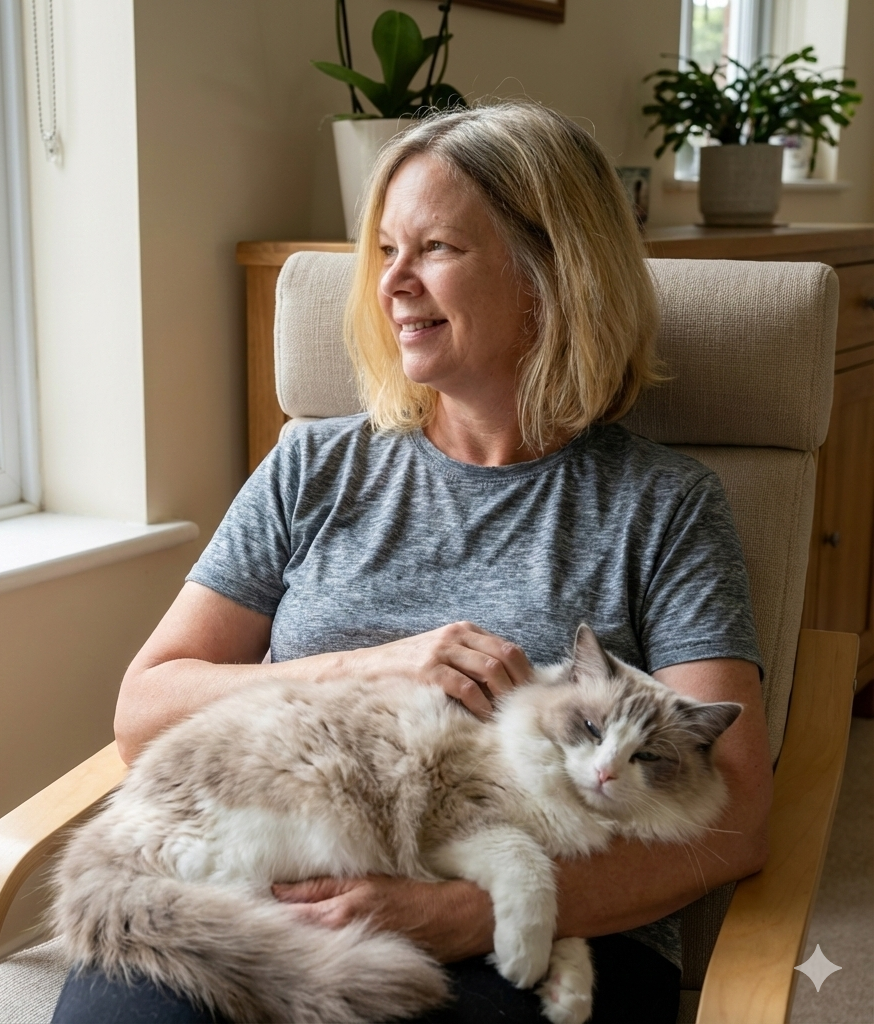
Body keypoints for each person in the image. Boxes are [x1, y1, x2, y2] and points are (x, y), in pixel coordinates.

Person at [52, 102, 771, 1024]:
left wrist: (462, 914)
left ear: (550, 277)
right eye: (384, 251)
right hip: (247, 878)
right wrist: (375, 662)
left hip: (535, 926)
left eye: (434, 247)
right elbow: (144, 710)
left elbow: (738, 813)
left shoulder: (662, 505)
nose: (392, 283)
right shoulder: (316, 464)